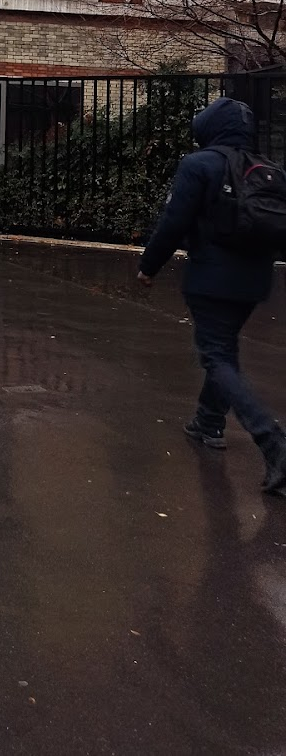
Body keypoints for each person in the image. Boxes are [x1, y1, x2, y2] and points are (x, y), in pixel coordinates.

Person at [138, 97, 286, 496]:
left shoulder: (199, 164)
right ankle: (209, 422)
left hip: (211, 280)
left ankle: (273, 441)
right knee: (224, 349)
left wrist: (148, 266)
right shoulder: (268, 168)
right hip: (254, 283)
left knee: (216, 355)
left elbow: (174, 222)